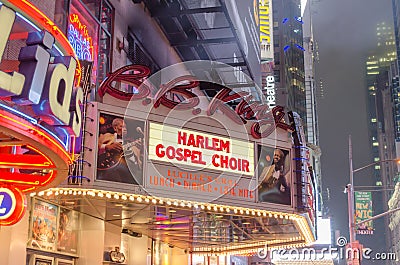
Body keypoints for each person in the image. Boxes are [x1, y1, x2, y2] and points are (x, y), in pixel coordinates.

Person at [97, 118, 143, 184]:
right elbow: (94, 146)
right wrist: (107, 147)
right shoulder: (106, 136)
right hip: (105, 173)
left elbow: (137, 164)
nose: (125, 129)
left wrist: (130, 154)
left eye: (126, 127)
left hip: (124, 176)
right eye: (122, 126)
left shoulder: (132, 144)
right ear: (115, 128)